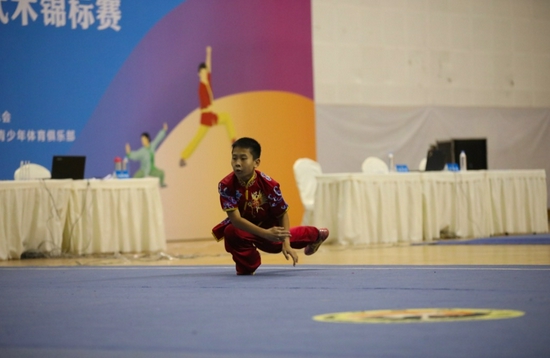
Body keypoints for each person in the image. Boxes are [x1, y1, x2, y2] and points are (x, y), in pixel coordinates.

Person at [212, 137, 329, 275]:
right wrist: (265, 234)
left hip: (269, 225)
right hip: (245, 227)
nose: (237, 163)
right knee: (231, 231)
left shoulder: (269, 185)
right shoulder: (225, 185)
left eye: (243, 158)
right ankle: (247, 266)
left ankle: (316, 235)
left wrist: (286, 243)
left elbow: (282, 214)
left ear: (256, 162)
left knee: (275, 246)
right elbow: (236, 220)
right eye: (234, 158)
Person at [179, 46, 236, 167]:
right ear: (199, 74)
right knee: (197, 139)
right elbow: (205, 106)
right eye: (203, 72)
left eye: (205, 72)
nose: (205, 73)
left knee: (226, 117)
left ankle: (233, 140)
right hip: (206, 117)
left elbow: (209, 66)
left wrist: (208, 53)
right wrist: (210, 108)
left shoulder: (207, 82)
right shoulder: (201, 88)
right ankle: (183, 157)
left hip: (211, 115)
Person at [126, 123, 168, 187]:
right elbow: (136, 155)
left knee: (161, 173)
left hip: (152, 169)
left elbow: (158, 139)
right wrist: (129, 153)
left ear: (147, 139)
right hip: (143, 170)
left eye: (144, 139)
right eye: (141, 140)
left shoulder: (152, 146)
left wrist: (164, 130)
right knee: (134, 178)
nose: (142, 141)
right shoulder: (142, 151)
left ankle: (161, 184)